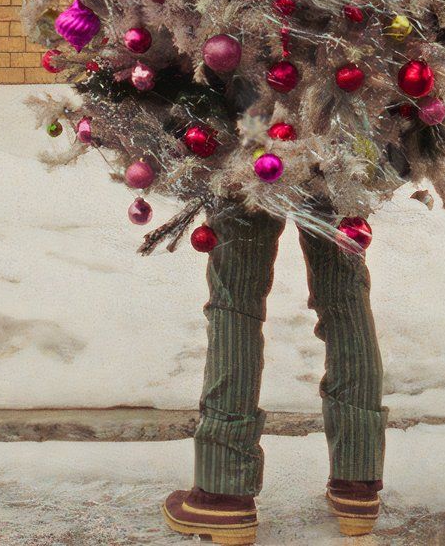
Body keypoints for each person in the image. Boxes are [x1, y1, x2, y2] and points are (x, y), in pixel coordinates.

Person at [162, 191, 387, 544]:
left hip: (253, 140)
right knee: (344, 284)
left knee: (236, 294)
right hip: (335, 142)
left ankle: (224, 493)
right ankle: (356, 483)